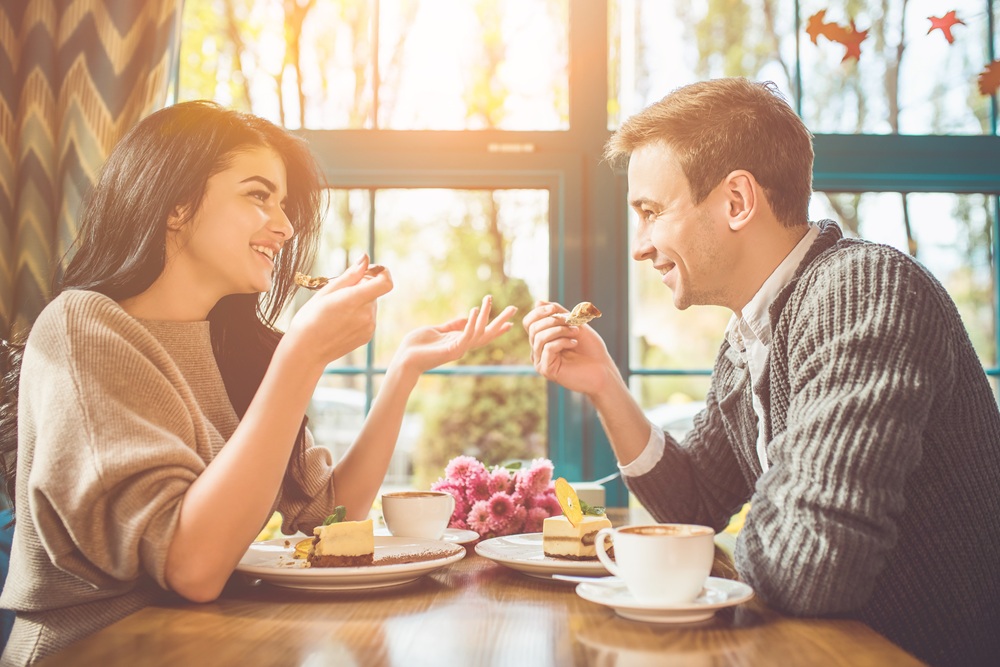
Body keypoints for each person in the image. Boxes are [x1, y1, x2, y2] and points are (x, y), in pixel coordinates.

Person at [0, 100, 516, 665]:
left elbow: (326, 516)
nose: (286, 224)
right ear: (175, 206)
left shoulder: (231, 349)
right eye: (257, 194)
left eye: (285, 203)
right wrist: (301, 355)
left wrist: (402, 373)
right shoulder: (83, 327)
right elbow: (192, 567)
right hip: (100, 650)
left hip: (216, 643)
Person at [524, 78, 1000, 667]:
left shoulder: (861, 290)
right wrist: (604, 384)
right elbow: (693, 502)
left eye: (651, 212)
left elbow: (810, 569)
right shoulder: (754, 330)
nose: (639, 247)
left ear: (737, 202)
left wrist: (713, 562)